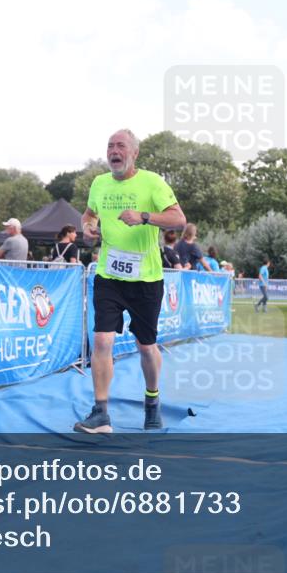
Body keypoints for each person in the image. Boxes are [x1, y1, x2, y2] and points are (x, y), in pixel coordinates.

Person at [75, 129, 186, 434]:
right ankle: (100, 413)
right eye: (110, 145)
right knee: (101, 340)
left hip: (146, 279)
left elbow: (179, 220)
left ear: (134, 153)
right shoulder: (99, 183)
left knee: (146, 347)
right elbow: (88, 214)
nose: (114, 150)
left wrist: (145, 217)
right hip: (109, 275)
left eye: (120, 146)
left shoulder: (153, 182)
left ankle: (152, 402)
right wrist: (89, 227)